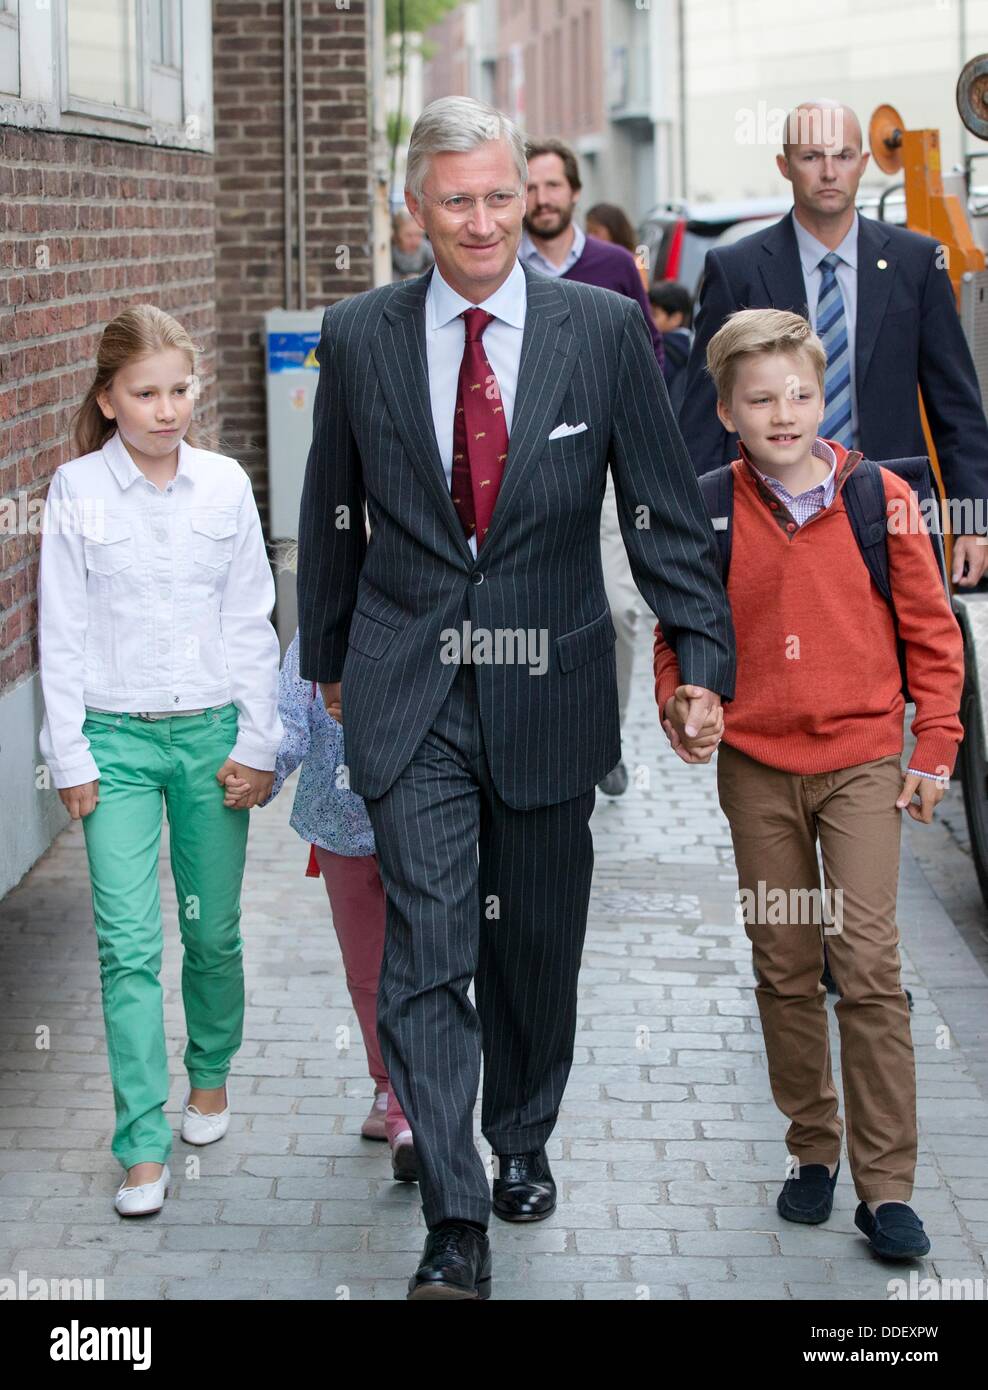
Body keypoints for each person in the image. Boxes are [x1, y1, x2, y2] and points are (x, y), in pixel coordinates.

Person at [296, 95, 735, 1299]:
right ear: (415, 210)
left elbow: (657, 501)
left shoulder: (600, 327)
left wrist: (700, 654)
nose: (483, 218)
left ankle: (523, 1131)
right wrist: (323, 666)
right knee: (429, 951)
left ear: (520, 195)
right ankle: (455, 1213)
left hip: (549, 683)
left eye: (499, 194)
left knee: (531, 945)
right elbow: (331, 509)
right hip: (410, 683)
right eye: (456, 200)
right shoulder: (362, 332)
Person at [654, 308, 965, 1259]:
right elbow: (680, 631)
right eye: (760, 399)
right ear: (726, 411)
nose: (783, 413)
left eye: (798, 393)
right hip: (757, 769)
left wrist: (934, 746)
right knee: (785, 961)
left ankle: (888, 1186)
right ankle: (812, 1150)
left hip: (864, 763)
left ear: (820, 395)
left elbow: (932, 631)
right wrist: (683, 702)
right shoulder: (706, 505)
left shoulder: (881, 499)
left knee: (866, 963)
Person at [37, 305, 283, 1216]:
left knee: (212, 933)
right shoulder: (74, 490)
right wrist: (68, 754)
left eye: (180, 389)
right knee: (127, 947)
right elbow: (58, 632)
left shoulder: (224, 486)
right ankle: (141, 1144)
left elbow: (251, 624)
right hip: (115, 741)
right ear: (108, 399)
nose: (167, 408)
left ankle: (209, 1076)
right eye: (145, 393)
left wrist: (259, 742)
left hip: (213, 738)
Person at [678, 98, 988, 587]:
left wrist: (973, 521)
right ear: (784, 165)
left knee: (903, 656)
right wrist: (694, 531)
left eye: (843, 156)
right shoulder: (737, 270)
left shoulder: (918, 262)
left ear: (864, 164)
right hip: (770, 517)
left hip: (893, 513)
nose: (828, 172)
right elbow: (702, 413)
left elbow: (957, 406)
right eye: (811, 157)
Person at [229, 545, 416, 1180]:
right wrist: (259, 774)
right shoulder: (317, 638)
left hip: (426, 825)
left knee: (425, 961)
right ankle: (389, 1090)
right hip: (342, 829)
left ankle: (411, 1103)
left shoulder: (436, 619)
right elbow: (290, 722)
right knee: (367, 971)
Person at [521, 137, 666, 797]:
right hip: (521, 464)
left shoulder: (611, 265)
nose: (542, 199)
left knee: (616, 607)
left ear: (575, 191)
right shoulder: (501, 266)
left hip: (601, 460)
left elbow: (648, 355)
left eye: (553, 186)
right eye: (530, 187)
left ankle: (601, 739)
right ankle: (537, 733)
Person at [649, 280, 694, 413]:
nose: (647, 318)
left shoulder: (662, 349)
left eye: (654, 314)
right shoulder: (692, 348)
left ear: (675, 318)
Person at [584, 201, 651, 291]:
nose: (590, 237)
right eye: (588, 231)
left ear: (614, 231)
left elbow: (641, 298)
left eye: (596, 232)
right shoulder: (588, 261)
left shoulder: (634, 263)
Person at [391, 210, 435, 281]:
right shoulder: (392, 251)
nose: (414, 240)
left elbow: (435, 266)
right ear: (397, 234)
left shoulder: (425, 248)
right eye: (408, 235)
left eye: (418, 235)